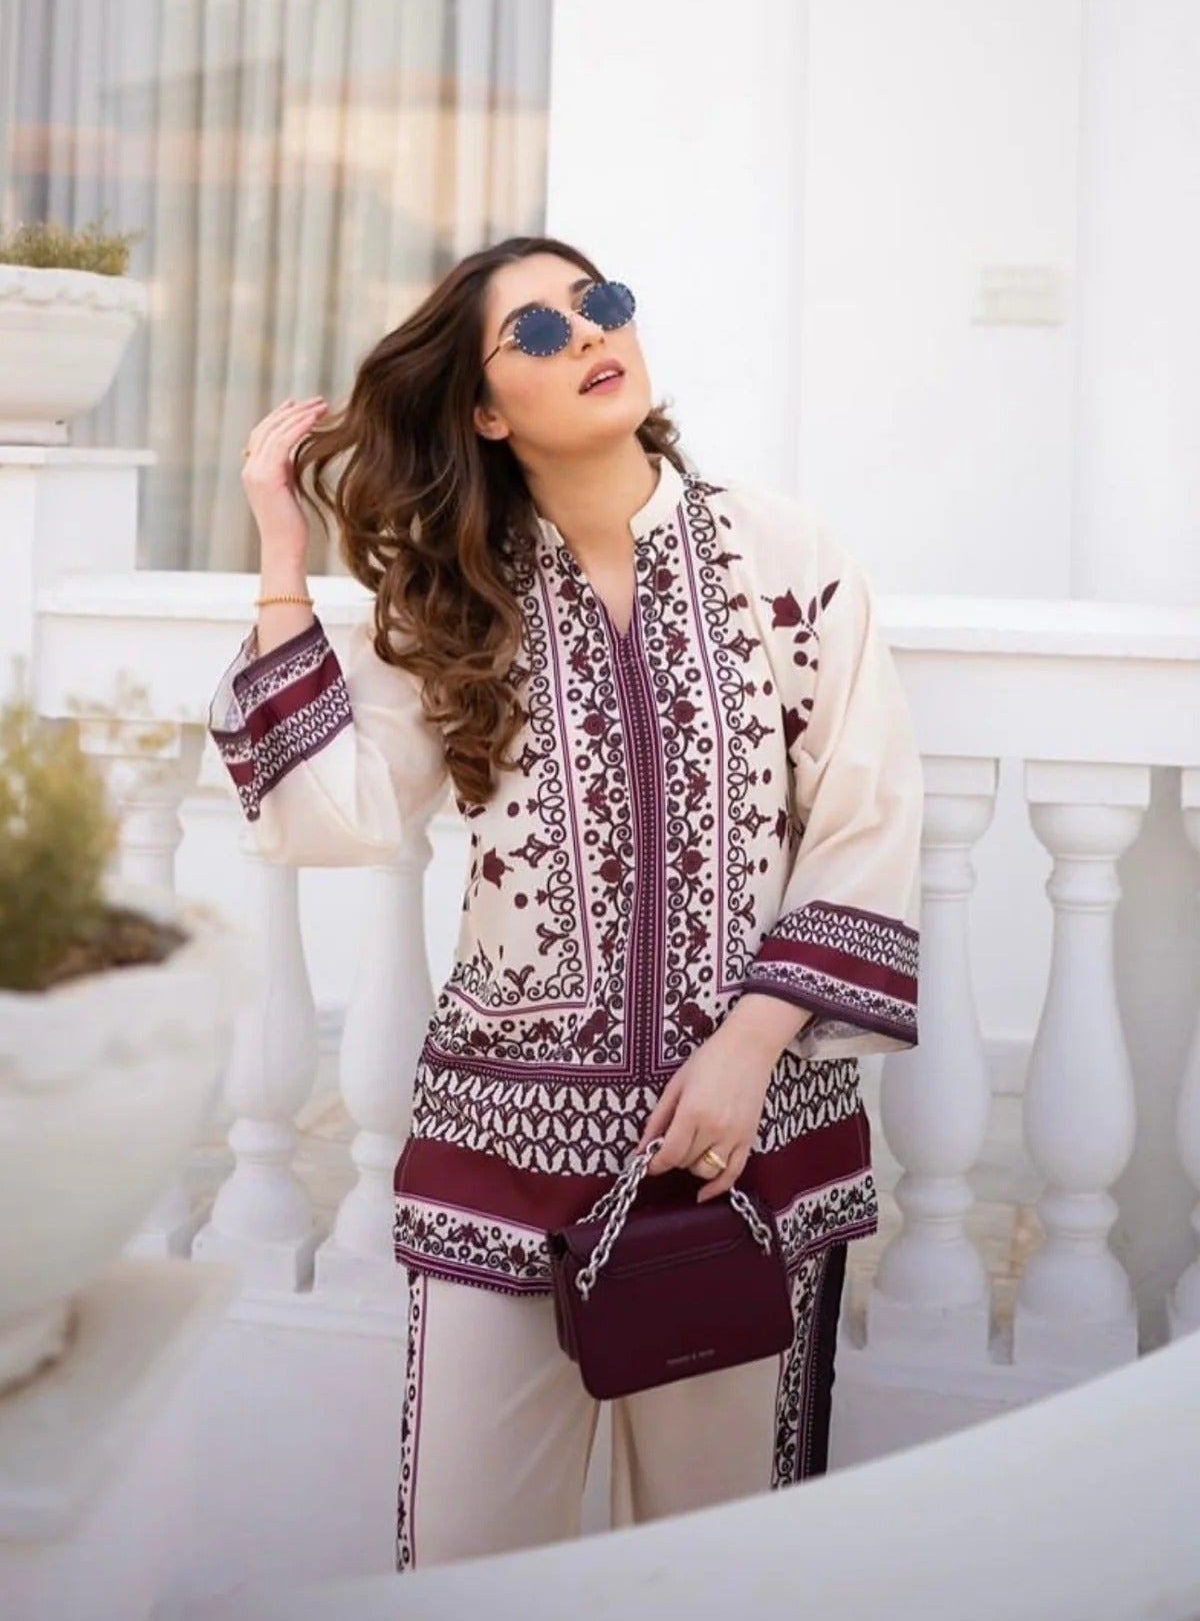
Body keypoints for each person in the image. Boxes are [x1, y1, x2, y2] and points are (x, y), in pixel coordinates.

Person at [207, 234, 924, 1572]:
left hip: (739, 1155)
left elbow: (865, 817)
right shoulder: (456, 595)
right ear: (486, 410)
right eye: (536, 331)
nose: (589, 335)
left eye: (600, 306)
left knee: (717, 1564)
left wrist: (750, 1049)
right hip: (502, 1151)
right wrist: (281, 552)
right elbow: (329, 815)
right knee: (467, 1557)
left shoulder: (782, 554)